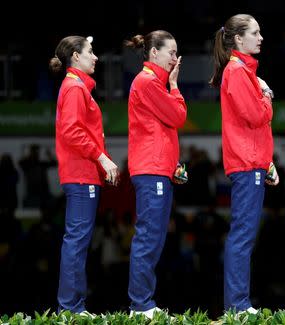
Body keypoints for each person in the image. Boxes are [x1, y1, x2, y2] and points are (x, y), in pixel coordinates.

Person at [210, 14, 279, 314]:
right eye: (255, 32)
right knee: (242, 235)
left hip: (253, 161)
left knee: (245, 235)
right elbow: (257, 116)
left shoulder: (243, 71)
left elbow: (255, 127)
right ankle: (237, 305)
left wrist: (268, 162)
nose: (261, 37)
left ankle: (239, 304)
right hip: (245, 163)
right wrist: (267, 95)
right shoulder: (237, 72)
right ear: (238, 39)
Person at [49, 36, 119, 314]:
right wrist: (103, 158)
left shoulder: (77, 87)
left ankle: (74, 307)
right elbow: (72, 131)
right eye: (91, 51)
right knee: (76, 242)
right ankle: (70, 309)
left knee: (78, 241)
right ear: (75, 57)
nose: (96, 57)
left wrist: (102, 162)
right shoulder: (75, 88)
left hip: (83, 173)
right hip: (80, 174)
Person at [124, 30, 187, 319]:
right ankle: (140, 305)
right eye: (171, 52)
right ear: (153, 53)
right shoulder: (148, 82)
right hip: (151, 171)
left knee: (155, 239)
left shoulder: (152, 83)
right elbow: (178, 117)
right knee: (149, 238)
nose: (176, 57)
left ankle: (144, 303)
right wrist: (174, 85)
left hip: (158, 170)